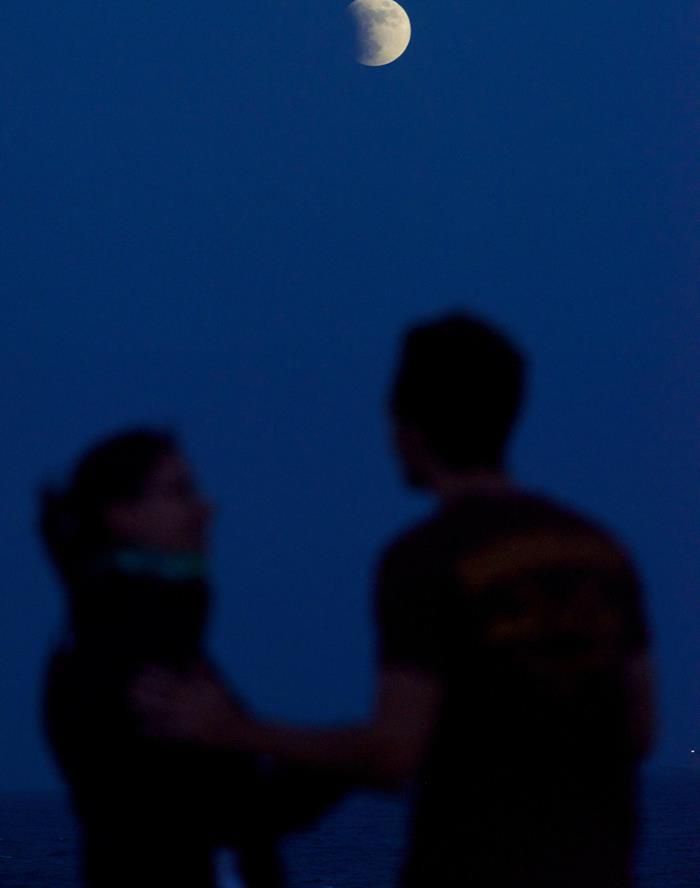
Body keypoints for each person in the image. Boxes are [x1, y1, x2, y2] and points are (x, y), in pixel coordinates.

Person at [133, 313, 655, 887]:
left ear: (410, 431)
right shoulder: (604, 554)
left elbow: (394, 751)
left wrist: (234, 731)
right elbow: (640, 728)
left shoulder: (424, 560)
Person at [40, 428, 341, 888]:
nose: (205, 509)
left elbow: (233, 809)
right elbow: (227, 812)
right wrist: (355, 756)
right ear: (121, 515)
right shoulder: (127, 659)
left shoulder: (156, 646)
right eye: (180, 491)